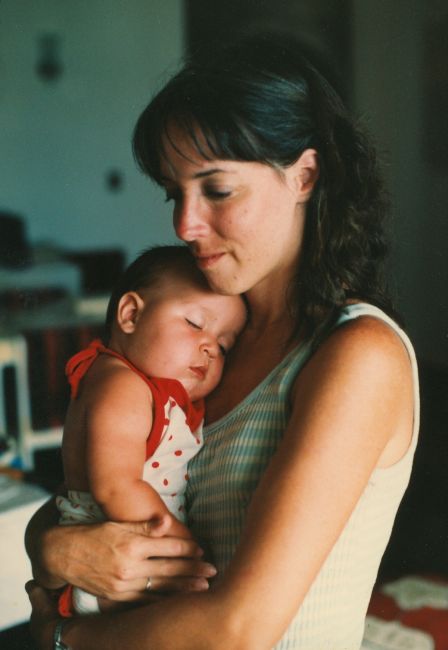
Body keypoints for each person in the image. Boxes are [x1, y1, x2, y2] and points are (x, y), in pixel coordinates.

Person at [25, 33, 419, 650]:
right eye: (174, 192)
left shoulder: (356, 354)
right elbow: (103, 481)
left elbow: (238, 628)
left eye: (217, 189)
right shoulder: (197, 355)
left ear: (305, 176)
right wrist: (51, 544)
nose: (184, 224)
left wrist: (59, 638)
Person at [55, 245, 247, 617]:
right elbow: (117, 487)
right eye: (194, 323)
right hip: (115, 567)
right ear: (131, 314)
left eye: (224, 346)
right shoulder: (121, 385)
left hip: (132, 559)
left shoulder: (147, 389)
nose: (209, 347)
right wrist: (185, 552)